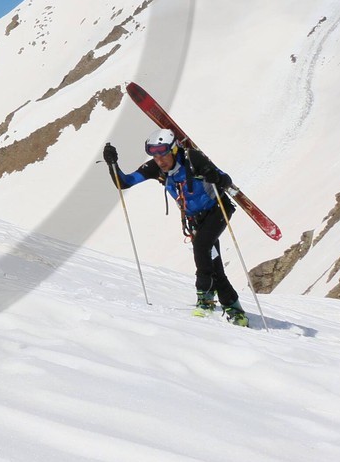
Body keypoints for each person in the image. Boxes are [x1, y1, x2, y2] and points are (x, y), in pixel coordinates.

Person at [104, 131, 249, 326]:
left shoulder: (192, 159)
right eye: (155, 156)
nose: (160, 160)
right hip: (195, 220)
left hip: (218, 211)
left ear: (173, 150)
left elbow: (225, 179)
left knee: (201, 246)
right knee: (213, 264)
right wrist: (112, 164)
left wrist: (213, 175)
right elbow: (125, 182)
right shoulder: (155, 168)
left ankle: (204, 298)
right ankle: (235, 310)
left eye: (163, 155)